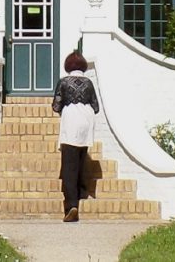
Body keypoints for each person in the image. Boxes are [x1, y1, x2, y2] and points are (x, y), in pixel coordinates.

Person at [52, 50, 100, 222]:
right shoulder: (89, 83)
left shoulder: (64, 82)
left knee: (69, 166)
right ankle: (81, 191)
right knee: (80, 158)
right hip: (86, 122)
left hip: (71, 122)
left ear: (68, 66)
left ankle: (71, 205)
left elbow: (56, 106)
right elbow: (96, 107)